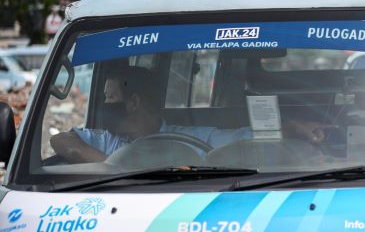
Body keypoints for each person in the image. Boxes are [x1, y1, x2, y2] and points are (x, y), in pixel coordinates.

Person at [50, 65, 332, 163]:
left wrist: (293, 128)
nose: (104, 105)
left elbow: (247, 139)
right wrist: (112, 165)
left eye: (110, 98)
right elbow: (61, 141)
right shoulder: (107, 140)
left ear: (133, 102)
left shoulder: (194, 138)